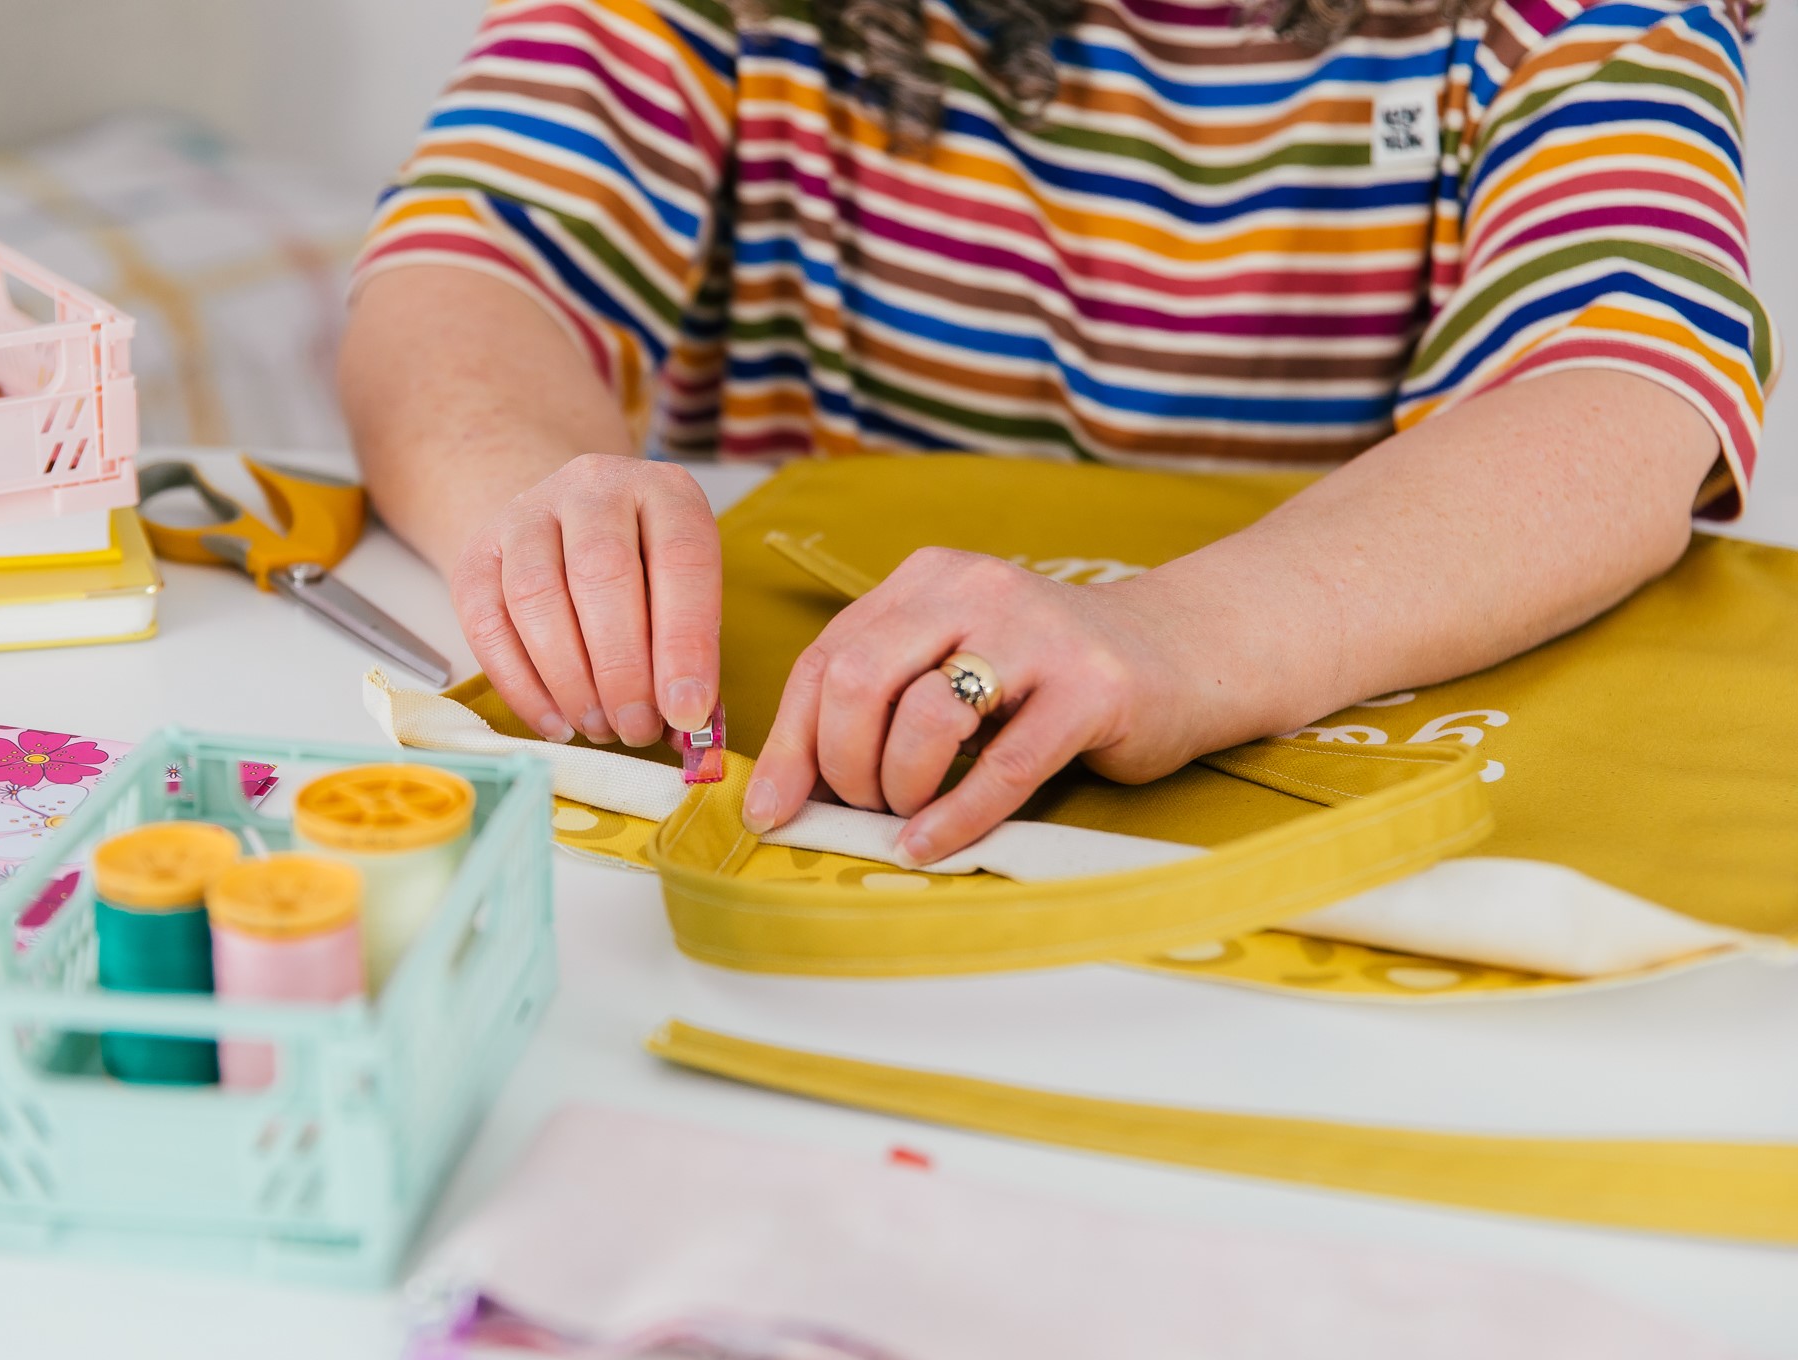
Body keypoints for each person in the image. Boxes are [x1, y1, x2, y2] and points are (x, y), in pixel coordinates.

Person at [341, 0, 1773, 866]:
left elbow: (1622, 386)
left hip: (1309, 755)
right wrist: (541, 506)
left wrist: (1183, 639)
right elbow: (469, 268)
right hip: (816, 779)